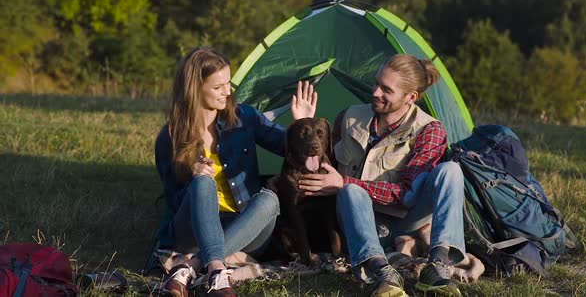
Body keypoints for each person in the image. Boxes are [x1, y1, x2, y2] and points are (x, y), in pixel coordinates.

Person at [154, 47, 317, 297]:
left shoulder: (244, 117)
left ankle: (193, 266)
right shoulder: (170, 137)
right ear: (195, 88)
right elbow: (174, 202)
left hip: (245, 227)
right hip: (194, 230)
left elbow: (289, 149)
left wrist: (300, 125)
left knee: (269, 200)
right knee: (202, 184)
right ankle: (217, 270)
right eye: (218, 87)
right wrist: (189, 172)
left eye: (229, 84)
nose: (228, 92)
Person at [299, 54, 465, 297]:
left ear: (411, 97)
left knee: (451, 170)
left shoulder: (429, 130)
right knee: (351, 192)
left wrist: (344, 182)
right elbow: (324, 167)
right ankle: (381, 272)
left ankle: (437, 266)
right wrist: (303, 123)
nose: (375, 92)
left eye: (386, 90)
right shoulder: (348, 117)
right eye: (376, 83)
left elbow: (408, 195)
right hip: (357, 222)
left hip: (405, 221)